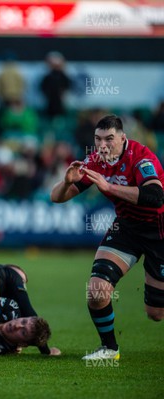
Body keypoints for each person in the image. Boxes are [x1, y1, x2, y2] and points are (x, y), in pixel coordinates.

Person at [50, 114, 164, 361]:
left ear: (123, 138)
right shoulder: (95, 161)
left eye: (109, 139)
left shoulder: (142, 158)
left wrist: (109, 187)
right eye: (98, 139)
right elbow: (57, 197)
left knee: (155, 313)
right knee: (97, 290)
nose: (103, 145)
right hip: (126, 229)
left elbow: (155, 195)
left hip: (159, 230)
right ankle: (110, 349)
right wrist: (66, 182)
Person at [0, 264, 60, 356]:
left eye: (23, 332)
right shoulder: (10, 286)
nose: (17, 326)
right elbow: (29, 311)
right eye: (22, 282)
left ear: (23, 343)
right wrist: (47, 351)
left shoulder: (10, 308)